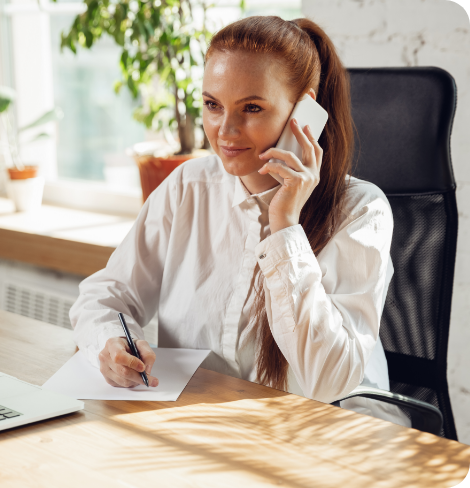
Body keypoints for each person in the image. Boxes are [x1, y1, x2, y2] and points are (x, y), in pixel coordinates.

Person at [70, 16, 409, 426]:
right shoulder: (188, 186)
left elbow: (327, 382)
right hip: (206, 424)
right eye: (212, 105)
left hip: (329, 432)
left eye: (251, 107)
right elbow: (105, 296)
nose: (224, 130)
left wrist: (285, 225)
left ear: (305, 111)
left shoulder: (360, 210)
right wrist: (110, 342)